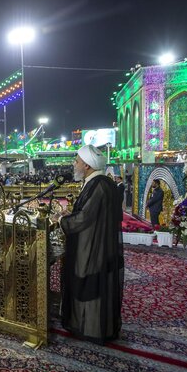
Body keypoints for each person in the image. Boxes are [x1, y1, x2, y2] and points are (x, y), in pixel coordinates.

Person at [51, 144, 124, 344]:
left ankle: (91, 328)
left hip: (93, 246)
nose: (74, 164)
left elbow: (84, 218)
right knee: (91, 284)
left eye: (77, 161)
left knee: (91, 283)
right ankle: (84, 323)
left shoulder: (99, 185)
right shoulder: (97, 182)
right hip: (95, 242)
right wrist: (71, 214)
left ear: (87, 165)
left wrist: (61, 220)